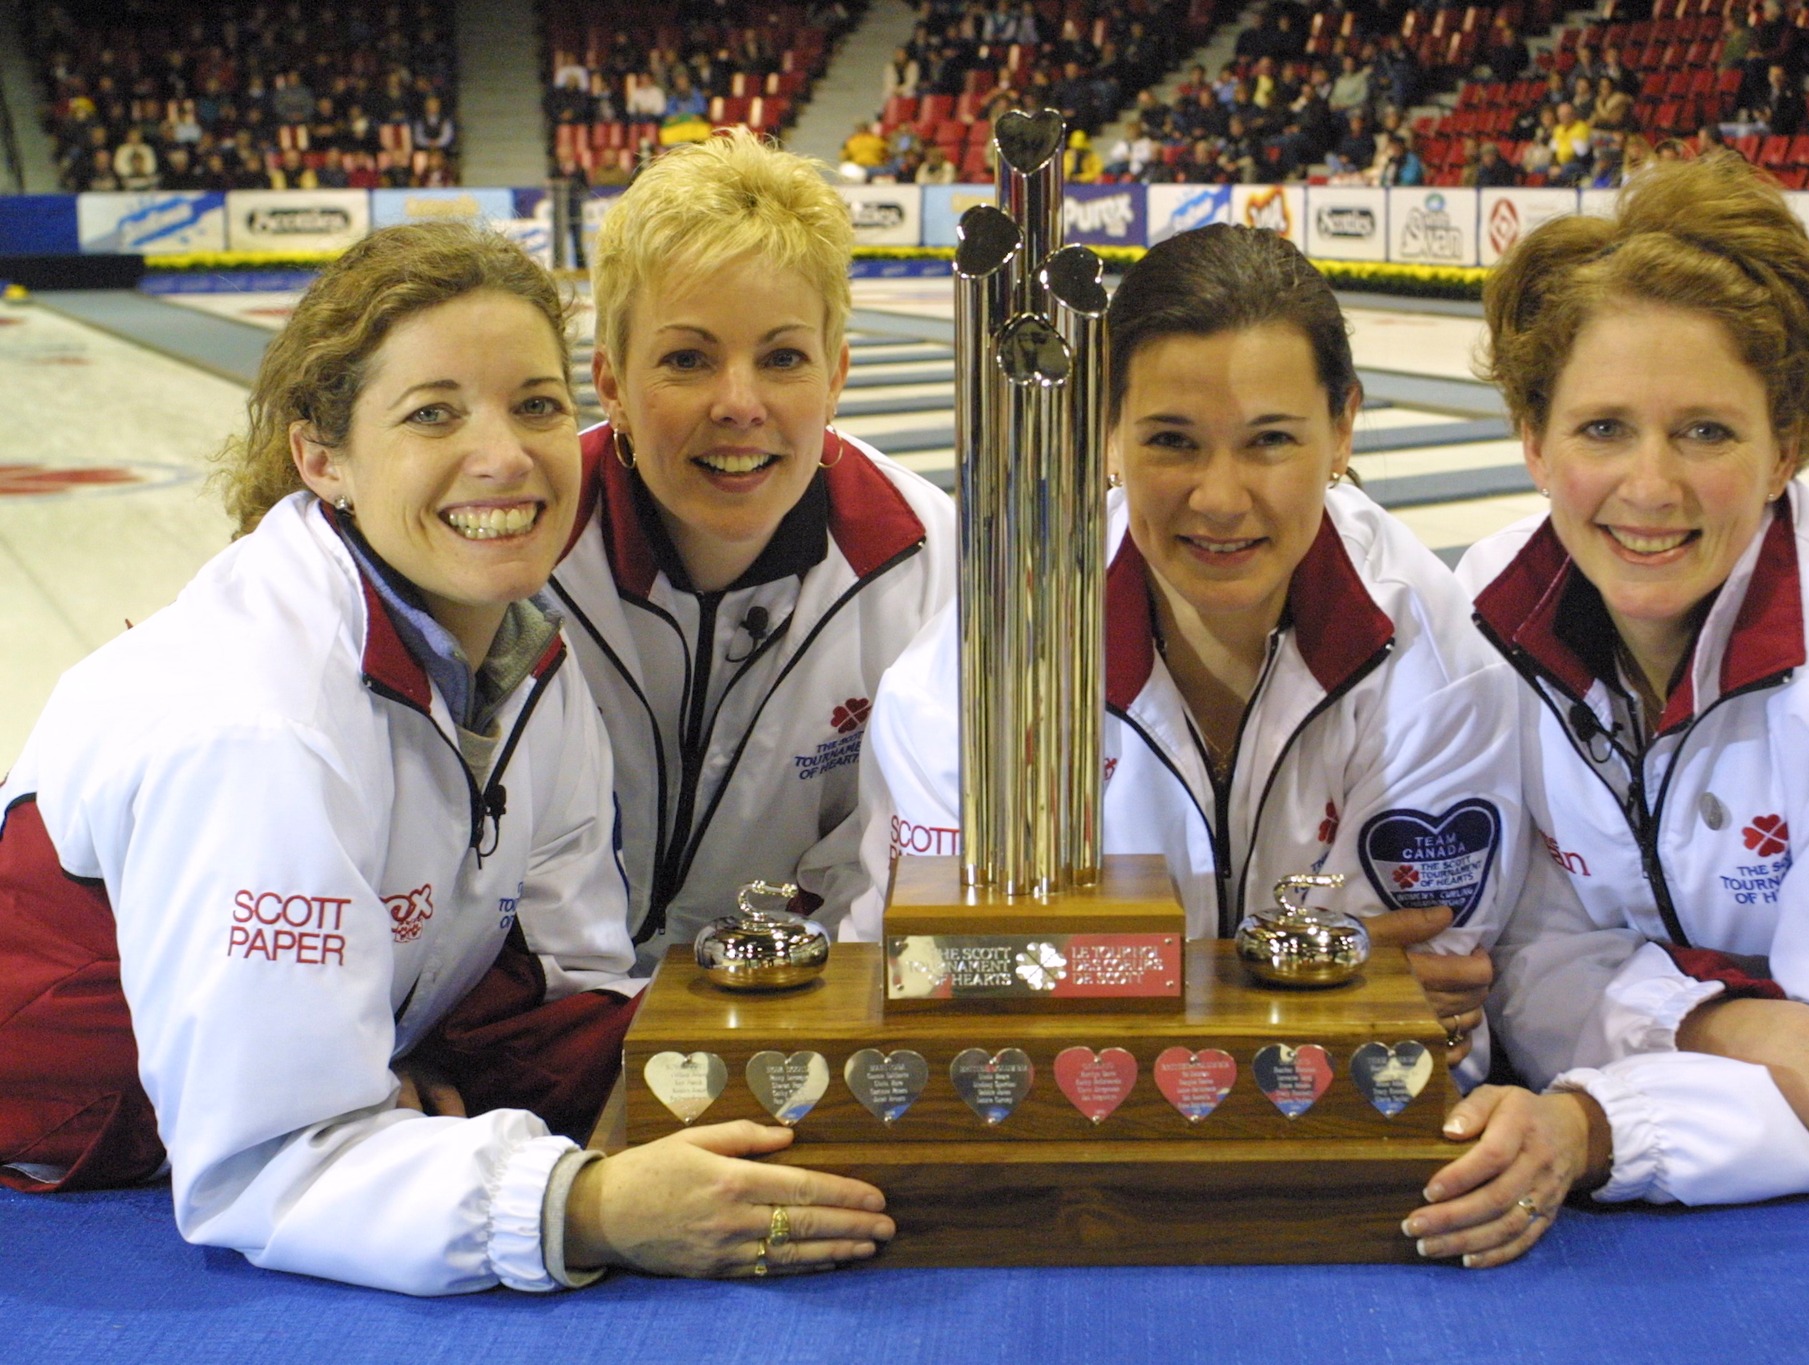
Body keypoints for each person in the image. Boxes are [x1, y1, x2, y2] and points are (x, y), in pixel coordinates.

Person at [0, 221, 895, 1292]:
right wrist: (591, 1205)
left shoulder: (526, 657)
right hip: (90, 1141)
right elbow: (264, 1165)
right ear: (321, 457)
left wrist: (753, 1078)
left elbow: (562, 977)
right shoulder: (256, 725)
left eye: (536, 404)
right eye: (434, 414)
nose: (505, 455)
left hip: (330, 1061)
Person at [1438, 156, 1809, 1231]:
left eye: (1706, 431)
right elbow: (1529, 956)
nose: (1649, 487)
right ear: (1531, 441)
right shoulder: (1489, 614)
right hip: (1702, 1098)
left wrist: (1592, 1124)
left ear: (1787, 449)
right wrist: (1725, 1026)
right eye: (1601, 427)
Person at [855, 224, 1527, 1157]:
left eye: (1270, 441)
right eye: (1172, 440)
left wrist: (1088, 967)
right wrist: (1309, 965)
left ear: (1342, 431)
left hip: (1340, 1174)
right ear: (1106, 434)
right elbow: (931, 1009)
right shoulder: (970, 679)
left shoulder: (1436, 661)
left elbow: (1421, 1035)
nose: (1219, 497)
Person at [551, 130, 955, 970]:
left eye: (782, 357)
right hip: (557, 1036)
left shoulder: (922, 559)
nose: (740, 403)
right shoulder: (532, 545)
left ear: (836, 377)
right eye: (688, 358)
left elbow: (900, 888)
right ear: (613, 384)